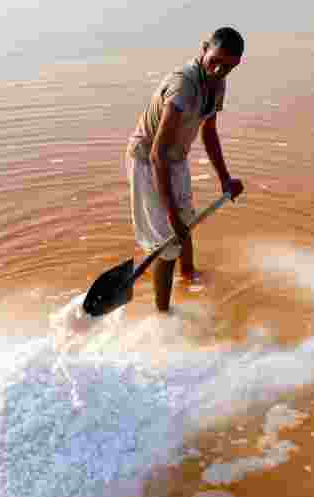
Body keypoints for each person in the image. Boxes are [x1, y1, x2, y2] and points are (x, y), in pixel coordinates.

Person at [125, 26, 246, 313]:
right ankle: (162, 315)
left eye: (228, 66)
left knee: (186, 223)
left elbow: (209, 133)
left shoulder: (218, 83)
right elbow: (157, 155)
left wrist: (225, 179)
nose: (219, 70)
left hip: (175, 159)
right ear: (205, 48)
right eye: (215, 60)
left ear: (236, 65)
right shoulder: (183, 86)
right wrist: (170, 215)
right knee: (166, 246)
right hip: (147, 161)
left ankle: (188, 274)